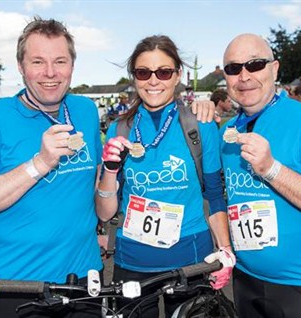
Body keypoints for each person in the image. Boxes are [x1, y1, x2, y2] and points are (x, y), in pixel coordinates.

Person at [0, 17, 104, 318]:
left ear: (72, 66)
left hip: (84, 283)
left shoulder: (86, 111)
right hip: (16, 287)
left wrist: (99, 228)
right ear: (21, 66)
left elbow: (92, 181)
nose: (50, 73)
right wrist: (40, 163)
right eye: (38, 61)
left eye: (60, 61)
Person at [95, 35, 235, 318]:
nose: (154, 81)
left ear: (178, 75)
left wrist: (226, 252)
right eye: (144, 72)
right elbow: (105, 211)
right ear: (134, 77)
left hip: (192, 261)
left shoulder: (200, 125)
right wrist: (109, 171)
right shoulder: (119, 129)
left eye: (164, 72)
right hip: (132, 263)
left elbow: (214, 195)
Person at [217, 33, 301, 318]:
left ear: (275, 69)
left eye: (255, 64)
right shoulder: (227, 132)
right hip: (245, 281)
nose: (244, 76)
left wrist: (271, 169)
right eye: (233, 68)